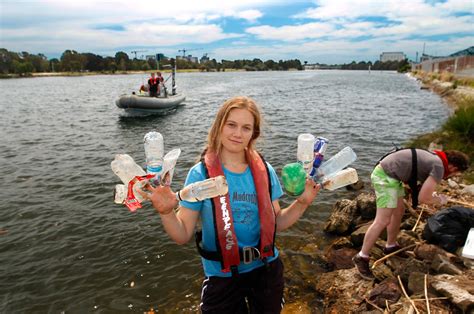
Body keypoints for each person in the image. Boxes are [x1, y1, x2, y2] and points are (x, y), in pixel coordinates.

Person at [139, 96, 320, 313]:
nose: (237, 133)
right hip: (221, 276)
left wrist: (302, 203)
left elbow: (277, 222)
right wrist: (167, 211)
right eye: (231, 125)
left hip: (266, 269)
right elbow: (182, 235)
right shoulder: (200, 174)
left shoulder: (265, 170)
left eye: (246, 128)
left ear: (254, 133)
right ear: (219, 126)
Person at [353, 148, 469, 280]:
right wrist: (440, 200)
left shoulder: (437, 158)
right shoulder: (439, 166)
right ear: (453, 167)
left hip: (392, 175)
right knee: (382, 220)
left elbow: (423, 186)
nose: (452, 176)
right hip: (384, 176)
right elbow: (423, 199)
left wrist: (433, 195)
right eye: (455, 173)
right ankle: (362, 257)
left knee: (399, 211)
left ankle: (390, 246)